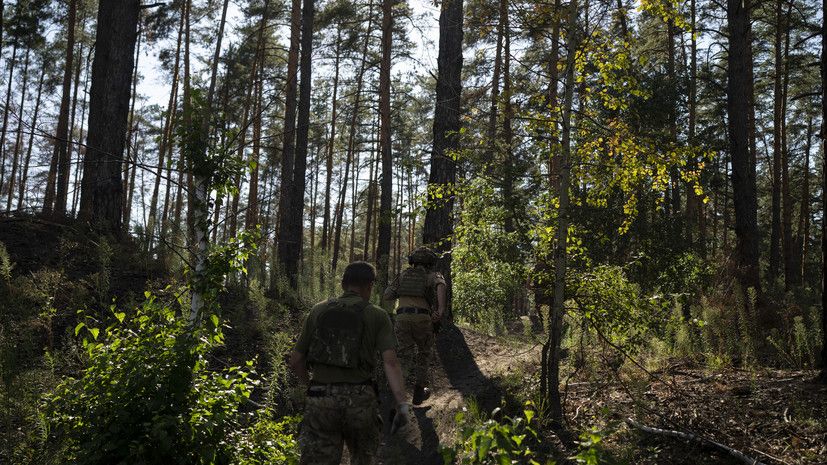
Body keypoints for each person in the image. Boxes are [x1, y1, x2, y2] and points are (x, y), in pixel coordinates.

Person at [289, 261, 410, 465]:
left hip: (321, 399)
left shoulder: (318, 310)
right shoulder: (377, 315)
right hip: (360, 401)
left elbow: (296, 360)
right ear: (370, 285)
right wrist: (402, 405)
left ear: (344, 284)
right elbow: (391, 364)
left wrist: (309, 388)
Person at [382, 246, 446, 405]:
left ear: (413, 261)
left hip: (402, 318)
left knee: (403, 356)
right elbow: (441, 285)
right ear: (430, 262)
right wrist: (440, 310)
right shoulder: (433, 275)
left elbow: (387, 295)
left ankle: (396, 396)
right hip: (423, 318)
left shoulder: (402, 276)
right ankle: (419, 392)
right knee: (424, 354)